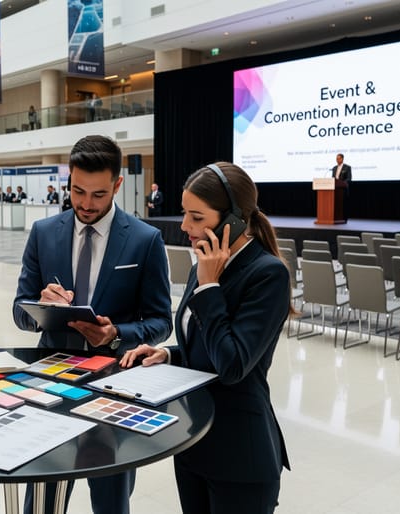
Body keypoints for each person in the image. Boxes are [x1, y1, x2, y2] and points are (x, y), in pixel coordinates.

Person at [13, 135, 172, 514]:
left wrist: (117, 333)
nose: (86, 204)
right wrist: (39, 307)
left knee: (111, 501)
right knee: (42, 500)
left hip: (115, 390)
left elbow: (161, 321)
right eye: (77, 191)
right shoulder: (43, 232)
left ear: (118, 185)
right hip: (49, 385)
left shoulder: (145, 240)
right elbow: (19, 311)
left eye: (98, 194)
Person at [120, 162, 291, 514]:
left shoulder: (266, 274)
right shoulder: (209, 262)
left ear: (233, 220)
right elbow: (204, 348)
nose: (185, 226)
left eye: (196, 217)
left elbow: (232, 364)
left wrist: (210, 285)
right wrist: (169, 355)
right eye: (185, 214)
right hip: (194, 444)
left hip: (240, 457)